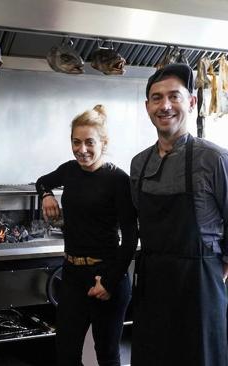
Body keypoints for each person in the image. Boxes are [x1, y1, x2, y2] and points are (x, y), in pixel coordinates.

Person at [129, 63, 228, 366]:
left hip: (199, 285)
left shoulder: (215, 158)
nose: (165, 105)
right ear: (148, 107)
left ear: (192, 102)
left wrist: (215, 271)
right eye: (157, 98)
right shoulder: (139, 164)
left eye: (174, 96)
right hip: (153, 284)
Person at [35, 105, 137, 366]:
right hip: (71, 275)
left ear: (103, 142)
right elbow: (42, 181)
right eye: (76, 142)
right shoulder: (69, 170)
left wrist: (110, 282)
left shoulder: (118, 180)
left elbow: (130, 236)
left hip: (106, 276)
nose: (82, 149)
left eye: (89, 142)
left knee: (107, 356)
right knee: (66, 355)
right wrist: (46, 195)